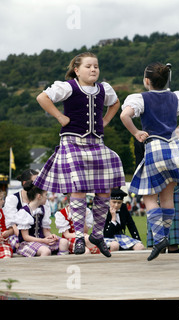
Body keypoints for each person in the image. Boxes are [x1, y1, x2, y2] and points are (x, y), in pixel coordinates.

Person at [32, 52, 125, 257]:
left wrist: (106, 120)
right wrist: (59, 117)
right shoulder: (68, 86)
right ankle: (79, 237)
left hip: (96, 143)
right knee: (79, 188)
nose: (93, 70)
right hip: (72, 142)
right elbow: (42, 97)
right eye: (88, 66)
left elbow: (116, 103)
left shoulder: (103, 89)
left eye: (96, 66)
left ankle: (97, 235)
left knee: (104, 190)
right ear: (77, 70)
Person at [121, 62, 179, 261]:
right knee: (167, 197)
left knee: (148, 197)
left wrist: (137, 132)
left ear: (147, 81)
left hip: (154, 149)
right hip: (174, 149)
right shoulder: (176, 96)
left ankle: (159, 237)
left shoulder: (140, 98)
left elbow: (124, 115)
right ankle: (164, 234)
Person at [14, 182, 69, 257]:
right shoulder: (24, 212)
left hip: (42, 240)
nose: (47, 197)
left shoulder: (42, 209)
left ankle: (61, 263)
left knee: (64, 242)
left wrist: (51, 236)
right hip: (27, 243)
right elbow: (25, 237)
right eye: (45, 195)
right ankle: (41, 268)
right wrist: (43, 241)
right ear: (39, 196)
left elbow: (45, 231)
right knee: (46, 251)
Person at [3, 169, 40, 254]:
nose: (38, 185)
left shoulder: (40, 198)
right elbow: (13, 227)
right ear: (24, 183)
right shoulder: (13, 199)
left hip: (35, 236)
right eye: (35, 182)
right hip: (18, 236)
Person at [0, 191, 13, 259]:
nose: (3, 201)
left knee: (6, 257)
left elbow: (12, 229)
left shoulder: (5, 212)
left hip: (3, 244)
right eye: (1, 199)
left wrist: (8, 232)